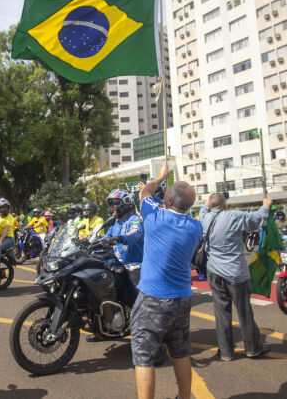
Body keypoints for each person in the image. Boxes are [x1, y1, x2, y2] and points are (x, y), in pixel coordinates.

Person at [131, 163, 202, 399]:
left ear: (169, 200)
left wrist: (160, 177)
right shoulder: (195, 227)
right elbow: (153, 198)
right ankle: (184, 396)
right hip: (182, 298)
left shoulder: (155, 216)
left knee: (143, 357)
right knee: (180, 352)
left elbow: (145, 194)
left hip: (153, 298)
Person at [200, 192, 272, 361]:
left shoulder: (204, 217)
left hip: (214, 272)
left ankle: (226, 352)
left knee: (221, 313)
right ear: (225, 204)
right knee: (245, 312)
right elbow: (258, 219)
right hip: (236, 272)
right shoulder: (234, 215)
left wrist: (208, 201)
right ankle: (252, 349)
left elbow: (204, 207)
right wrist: (266, 205)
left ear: (210, 205)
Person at [97, 190, 143, 324]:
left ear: (125, 204)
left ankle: (147, 330)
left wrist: (119, 239)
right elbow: (106, 238)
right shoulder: (115, 223)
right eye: (110, 204)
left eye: (113, 203)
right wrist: (92, 243)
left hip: (134, 266)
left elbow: (135, 235)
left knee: (139, 304)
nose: (111, 207)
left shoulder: (135, 220)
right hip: (117, 265)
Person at [0, 198, 16, 266]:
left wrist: (0, 241)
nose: (5, 209)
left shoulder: (9, 217)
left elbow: (6, 230)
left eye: (6, 207)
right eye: (2, 207)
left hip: (8, 238)